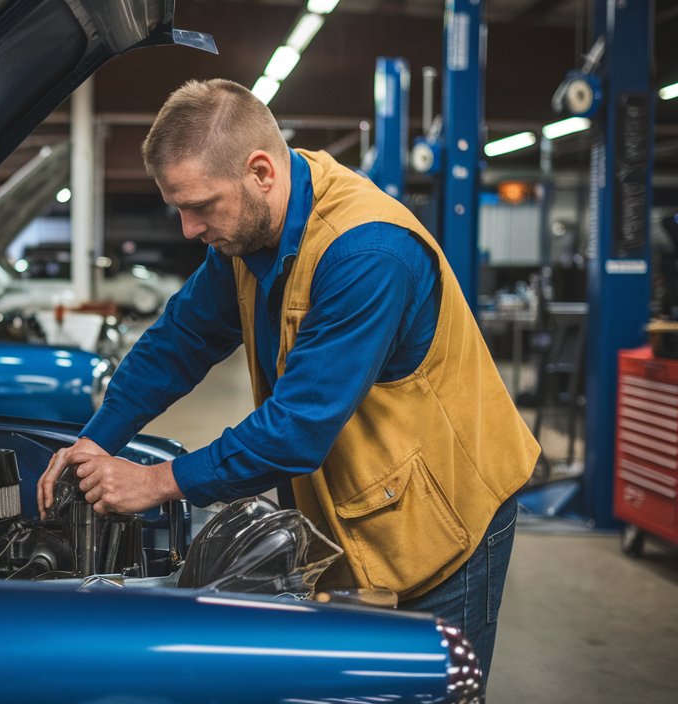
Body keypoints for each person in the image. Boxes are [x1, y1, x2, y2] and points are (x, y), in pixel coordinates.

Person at [36, 79, 539, 683]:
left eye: (200, 205)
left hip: (444, 522)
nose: (188, 229)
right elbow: (179, 341)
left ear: (261, 172)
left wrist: (157, 481)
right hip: (360, 506)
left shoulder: (367, 253)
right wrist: (99, 438)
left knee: (420, 691)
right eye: (178, 208)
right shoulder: (247, 240)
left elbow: (297, 428)